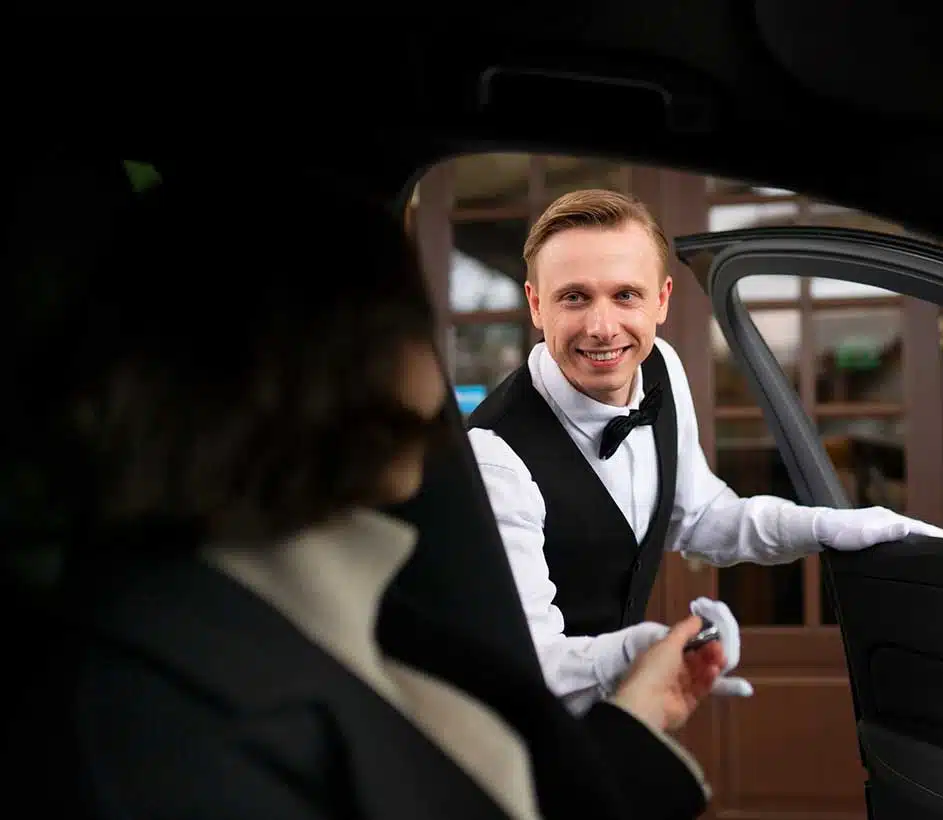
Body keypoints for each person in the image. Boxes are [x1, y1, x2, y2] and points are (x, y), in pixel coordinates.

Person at [12, 165, 723, 820]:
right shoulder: (170, 716)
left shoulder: (334, 607)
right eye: (418, 324)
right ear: (346, 367)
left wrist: (633, 719)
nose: (438, 373)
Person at [467, 189, 943, 711]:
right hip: (514, 730)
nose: (602, 327)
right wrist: (645, 649)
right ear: (537, 305)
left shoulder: (662, 369)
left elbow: (699, 517)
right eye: (574, 297)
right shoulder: (494, 455)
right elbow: (531, 661)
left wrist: (824, 528)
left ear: (663, 299)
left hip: (618, 713)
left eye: (626, 295)